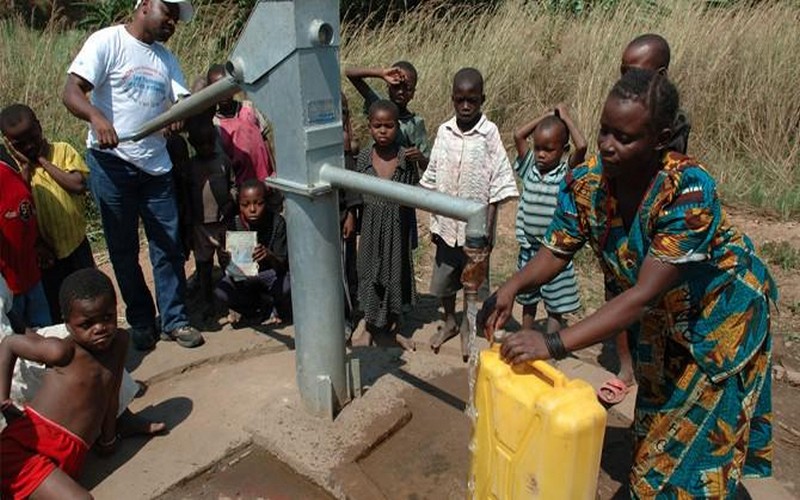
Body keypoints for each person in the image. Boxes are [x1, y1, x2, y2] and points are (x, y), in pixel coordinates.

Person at [480, 68, 775, 498]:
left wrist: (555, 342)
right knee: (658, 432)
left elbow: (642, 296)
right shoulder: (588, 184)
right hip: (664, 328)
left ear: (661, 138)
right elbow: (556, 250)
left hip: (717, 330)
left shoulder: (688, 192)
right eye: (603, 131)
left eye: (624, 137)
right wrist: (511, 287)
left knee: (688, 463)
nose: (606, 146)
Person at [62, 0, 204, 350]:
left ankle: (174, 319)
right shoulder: (106, 41)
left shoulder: (166, 59)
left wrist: (177, 115)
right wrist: (96, 117)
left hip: (155, 167)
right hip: (112, 163)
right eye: (167, 12)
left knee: (167, 246)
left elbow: (179, 101)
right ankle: (141, 320)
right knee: (123, 249)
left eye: (175, 18)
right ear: (143, 5)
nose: (172, 21)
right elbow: (71, 91)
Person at [598, 33, 693, 403]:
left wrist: (555, 343)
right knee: (620, 291)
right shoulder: (607, 156)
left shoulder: (685, 181)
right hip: (624, 235)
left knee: (646, 300)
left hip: (656, 238)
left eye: (635, 72)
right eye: (623, 71)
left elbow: (663, 188)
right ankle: (628, 367)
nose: (626, 79)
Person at [1, 269, 129, 499]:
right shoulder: (62, 351)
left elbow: (112, 392)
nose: (99, 328)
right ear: (67, 323)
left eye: (108, 317)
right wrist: (3, 401)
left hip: (63, 456)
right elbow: (9, 344)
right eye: (87, 324)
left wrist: (109, 437)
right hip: (26, 450)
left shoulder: (120, 342)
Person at [420, 67, 518, 351]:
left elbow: (498, 183)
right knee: (446, 281)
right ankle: (450, 321)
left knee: (473, 283)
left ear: (482, 99)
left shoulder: (489, 134)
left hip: (477, 231)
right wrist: (435, 224)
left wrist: (486, 231)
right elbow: (435, 177)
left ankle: (468, 327)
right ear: (452, 98)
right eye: (460, 99)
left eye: (472, 100)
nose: (465, 106)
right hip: (447, 227)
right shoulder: (444, 131)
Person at [1, 104, 95, 323]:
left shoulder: (61, 151)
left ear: (39, 127)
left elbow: (77, 185)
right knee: (56, 308)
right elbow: (21, 206)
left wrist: (42, 161)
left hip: (76, 245)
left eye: (33, 137)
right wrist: (25, 167)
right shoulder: (13, 171)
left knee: (87, 296)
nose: (30, 145)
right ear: (8, 143)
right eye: (20, 144)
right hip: (45, 255)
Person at [350, 100, 418, 350]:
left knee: (395, 273)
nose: (383, 131)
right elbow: (355, 194)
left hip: (397, 227)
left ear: (397, 127)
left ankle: (396, 328)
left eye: (388, 126)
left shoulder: (404, 156)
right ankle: (368, 328)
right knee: (369, 272)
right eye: (377, 125)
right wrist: (350, 218)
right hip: (370, 225)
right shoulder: (365, 157)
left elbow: (415, 192)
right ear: (369, 127)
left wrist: (419, 159)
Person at [511, 104, 586, 334]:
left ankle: (550, 345)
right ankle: (525, 336)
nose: (541, 154)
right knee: (527, 299)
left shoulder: (565, 174)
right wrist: (546, 116)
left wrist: (565, 117)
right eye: (538, 148)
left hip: (555, 253)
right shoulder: (529, 168)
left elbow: (582, 146)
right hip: (529, 249)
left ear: (563, 150)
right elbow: (518, 135)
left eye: (549, 149)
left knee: (555, 306)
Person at [346, 61, 430, 251]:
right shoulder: (378, 107)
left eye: (407, 88)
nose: (401, 92)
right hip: (374, 191)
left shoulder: (415, 124)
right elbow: (350, 73)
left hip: (401, 198)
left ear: (414, 92)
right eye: (396, 86)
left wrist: (419, 157)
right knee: (372, 242)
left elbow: (428, 165)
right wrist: (381, 72)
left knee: (399, 247)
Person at [214, 180, 291, 326]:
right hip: (244, 277)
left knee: (287, 286)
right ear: (239, 205)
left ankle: (274, 306)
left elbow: (283, 265)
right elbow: (228, 268)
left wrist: (269, 255)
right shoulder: (233, 225)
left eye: (258, 203)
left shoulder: (277, 222)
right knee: (221, 292)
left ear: (266, 202)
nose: (253, 209)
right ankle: (256, 309)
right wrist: (223, 258)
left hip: (270, 274)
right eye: (245, 205)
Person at [185, 118, 236, 318]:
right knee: (204, 265)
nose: (205, 148)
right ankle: (208, 301)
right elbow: (187, 195)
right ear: (193, 144)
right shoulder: (191, 166)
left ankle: (232, 300)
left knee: (228, 261)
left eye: (208, 143)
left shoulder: (223, 162)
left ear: (214, 140)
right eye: (200, 144)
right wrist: (189, 221)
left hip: (223, 221)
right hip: (201, 225)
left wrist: (231, 201)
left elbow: (233, 184)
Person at [0, 159, 52, 328]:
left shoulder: (8, 162)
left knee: (44, 330)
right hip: (7, 283)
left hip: (30, 271)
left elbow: (25, 207)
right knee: (17, 340)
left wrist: (37, 242)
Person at [206, 64, 275, 185]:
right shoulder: (216, 125)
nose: (223, 94)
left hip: (267, 181)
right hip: (244, 190)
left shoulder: (249, 108)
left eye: (225, 87)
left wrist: (275, 173)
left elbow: (265, 141)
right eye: (217, 90)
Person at [340, 93, 362, 338]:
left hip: (340, 216)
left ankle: (347, 318)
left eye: (344, 112)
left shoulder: (345, 144)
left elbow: (351, 185)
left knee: (345, 271)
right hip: (321, 220)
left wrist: (350, 215)